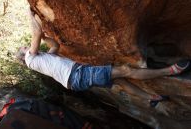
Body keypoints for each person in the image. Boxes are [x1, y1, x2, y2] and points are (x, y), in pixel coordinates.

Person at [17, 10, 190, 107]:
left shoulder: (41, 58)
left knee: (121, 81)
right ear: (24, 55)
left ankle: (151, 99)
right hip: (78, 75)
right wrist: (30, 15)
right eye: (25, 48)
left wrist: (45, 37)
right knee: (126, 70)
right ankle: (170, 70)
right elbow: (36, 33)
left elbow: (55, 46)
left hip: (77, 79)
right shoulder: (31, 59)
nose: (28, 46)